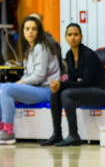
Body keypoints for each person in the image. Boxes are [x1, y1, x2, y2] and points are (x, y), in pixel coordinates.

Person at [41, 24, 105, 147]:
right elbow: (72, 81)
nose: (72, 37)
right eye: (69, 35)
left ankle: (74, 135)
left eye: (75, 34)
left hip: (102, 93)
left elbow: (86, 82)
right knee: (55, 93)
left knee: (66, 93)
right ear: (65, 37)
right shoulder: (69, 55)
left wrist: (61, 84)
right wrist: (59, 86)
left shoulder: (88, 55)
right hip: (87, 91)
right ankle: (57, 134)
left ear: (81, 37)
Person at [0, 16, 61, 145]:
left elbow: (39, 77)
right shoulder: (29, 49)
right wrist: (18, 83)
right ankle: (2, 127)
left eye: (34, 29)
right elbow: (27, 74)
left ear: (39, 32)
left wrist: (20, 83)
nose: (30, 32)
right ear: (23, 31)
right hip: (36, 88)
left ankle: (8, 132)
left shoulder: (41, 48)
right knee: (2, 87)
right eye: (27, 29)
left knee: (6, 89)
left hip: (47, 90)